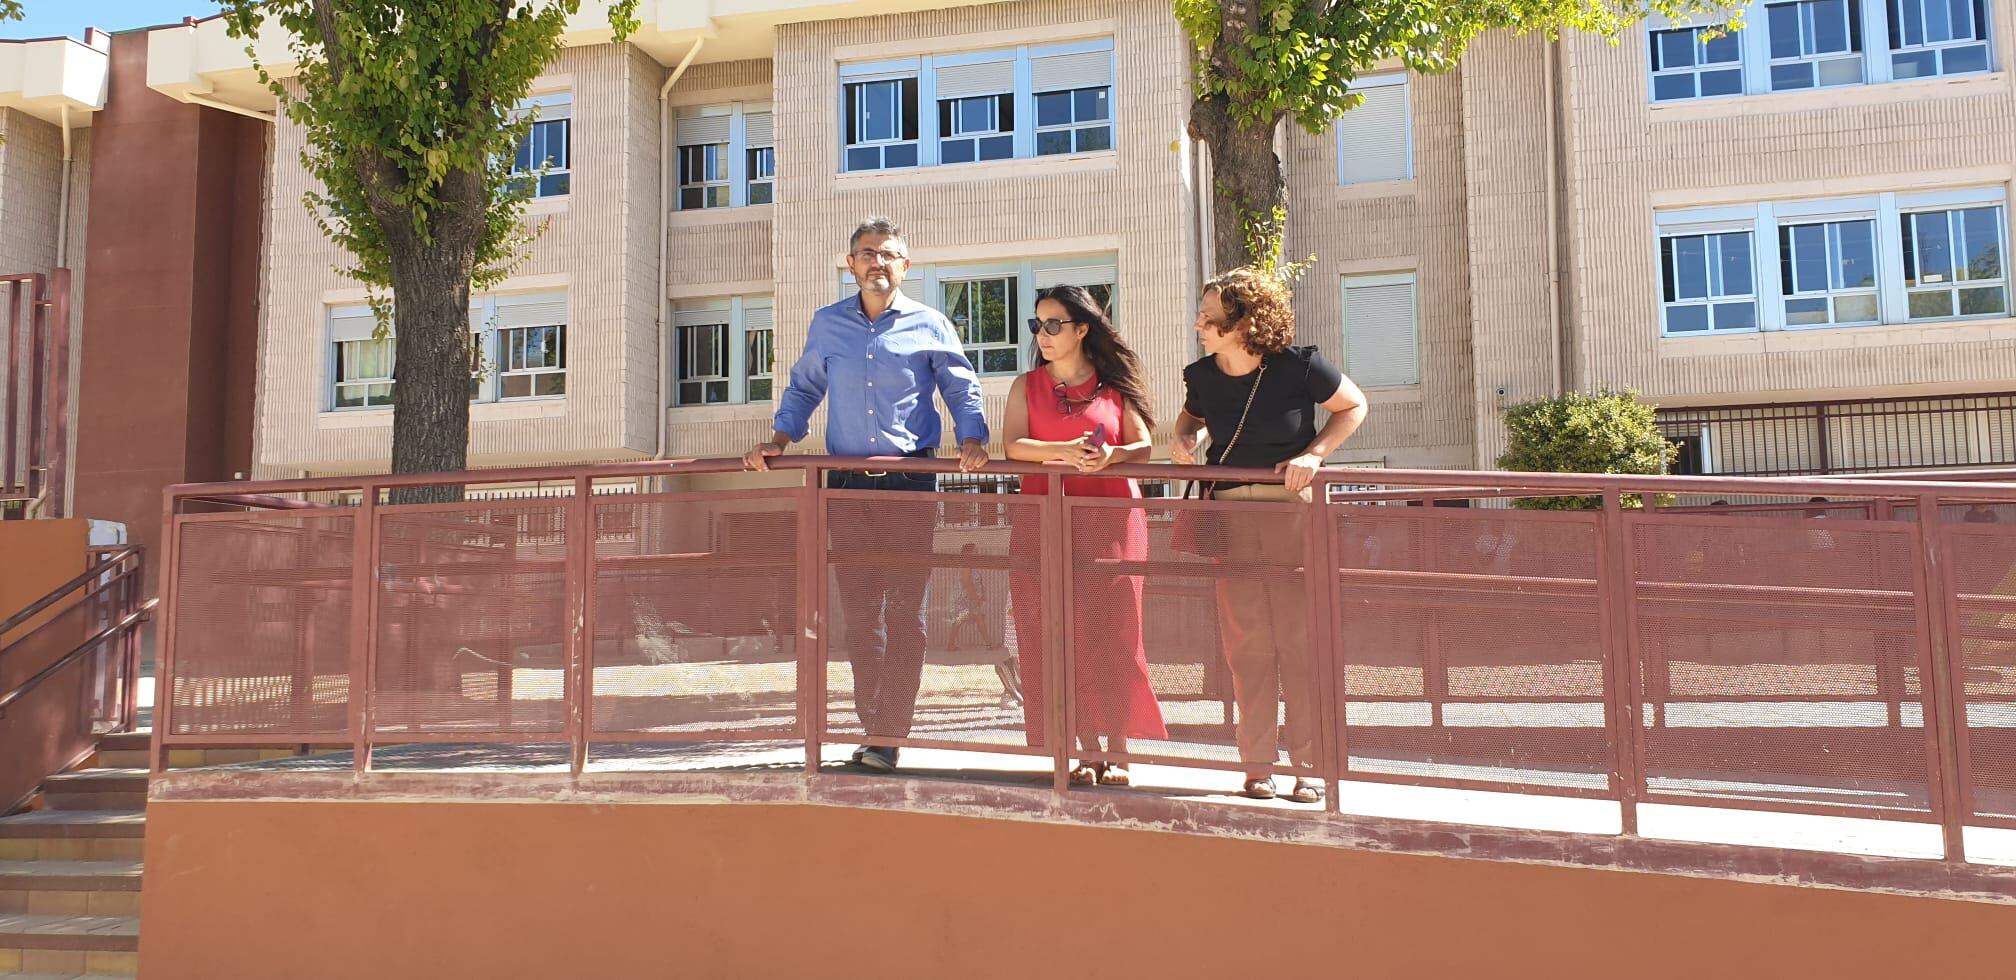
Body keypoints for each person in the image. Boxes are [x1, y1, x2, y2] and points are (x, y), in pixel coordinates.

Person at [744, 216, 989, 774]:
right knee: (859, 616)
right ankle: (872, 724)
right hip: (848, 490)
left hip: (909, 485)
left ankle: (886, 734)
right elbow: (805, 386)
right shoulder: (828, 324)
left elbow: (960, 384)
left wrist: (972, 439)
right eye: (866, 253)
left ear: (906, 266)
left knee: (905, 614)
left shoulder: (930, 324)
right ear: (850, 264)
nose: (876, 262)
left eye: (887, 254)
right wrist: (779, 439)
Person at [1171, 267, 1367, 803]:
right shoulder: (1202, 375)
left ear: (1243, 322)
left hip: (1292, 515)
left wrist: (1314, 453)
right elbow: (1190, 422)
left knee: (1301, 643)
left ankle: (1310, 768)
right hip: (1229, 519)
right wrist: (1184, 439)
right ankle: (1257, 766)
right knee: (1246, 646)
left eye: (1209, 318)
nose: (1199, 325)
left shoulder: (1297, 366)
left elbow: (1354, 406)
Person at [1002, 285, 1166, 787]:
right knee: (1056, 636)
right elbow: (1011, 446)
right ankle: (1085, 750)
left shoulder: (1114, 389)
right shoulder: (1024, 386)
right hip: (1043, 523)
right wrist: (1066, 450)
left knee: (1115, 633)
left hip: (1112, 521)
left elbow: (1142, 446)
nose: (1043, 335)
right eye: (1037, 325)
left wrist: (1110, 456)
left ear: (1081, 329)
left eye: (1054, 324)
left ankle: (1119, 748)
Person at [947, 542, 1024, 708]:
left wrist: (983, 595)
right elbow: (967, 583)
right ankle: (956, 643)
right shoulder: (966, 565)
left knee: (969, 620)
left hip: (974, 597)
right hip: (966, 597)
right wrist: (974, 597)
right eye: (974, 552)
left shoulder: (976, 566)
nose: (977, 554)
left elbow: (979, 582)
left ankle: (977, 643)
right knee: (962, 620)